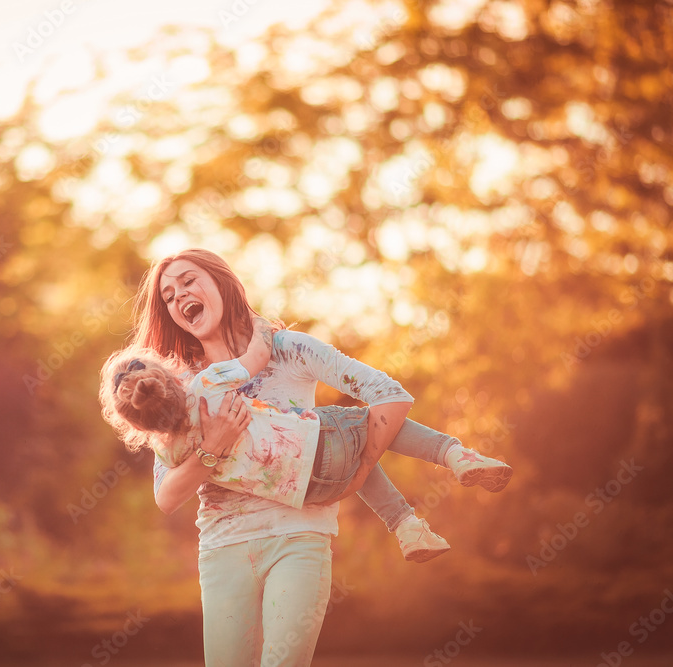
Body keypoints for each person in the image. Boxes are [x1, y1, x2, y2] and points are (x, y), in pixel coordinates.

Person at [113, 248, 505, 667]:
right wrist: (213, 447)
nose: (179, 297)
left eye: (188, 281)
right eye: (169, 296)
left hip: (300, 537)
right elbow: (167, 496)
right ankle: (431, 487)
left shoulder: (289, 350)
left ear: (220, 281)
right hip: (224, 546)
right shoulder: (178, 387)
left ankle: (446, 465)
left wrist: (361, 471)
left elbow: (386, 397)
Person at [99, 313, 512, 558]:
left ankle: (407, 527)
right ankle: (456, 455)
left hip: (306, 492)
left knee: (354, 451)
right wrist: (260, 324)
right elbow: (258, 356)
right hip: (315, 443)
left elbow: (168, 496)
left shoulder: (169, 454)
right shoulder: (208, 383)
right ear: (171, 376)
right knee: (369, 427)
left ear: (137, 426)